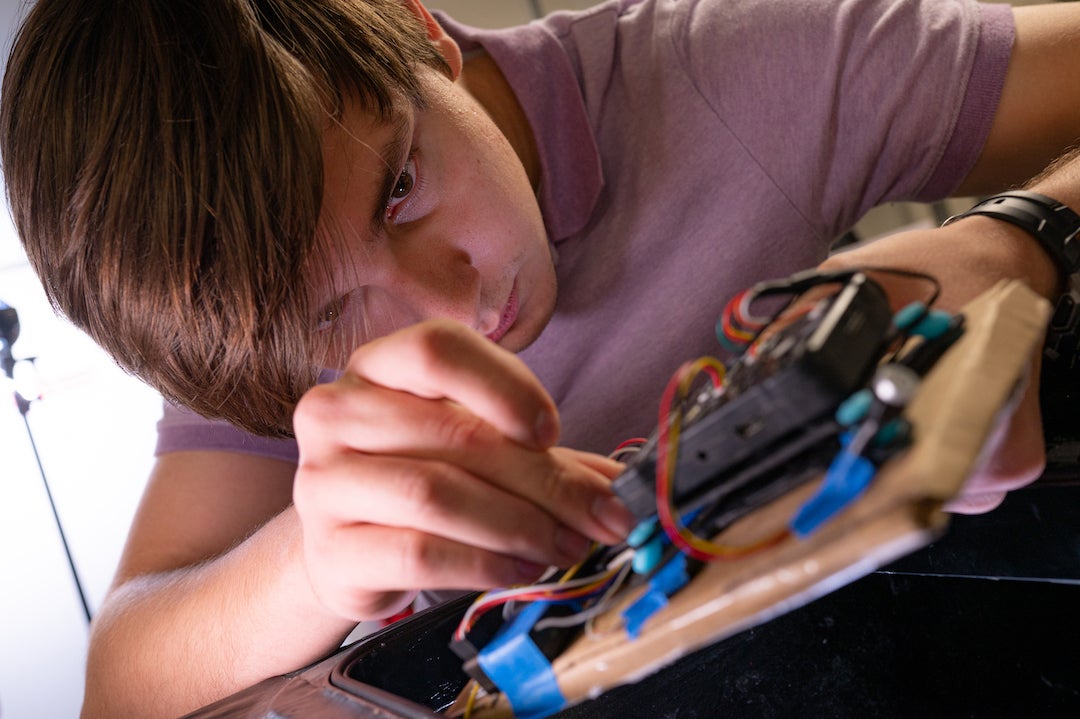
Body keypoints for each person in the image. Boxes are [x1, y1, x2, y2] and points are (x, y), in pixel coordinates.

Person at [1, 0, 1078, 715]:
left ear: (424, 37)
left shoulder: (723, 75)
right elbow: (121, 687)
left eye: (401, 191)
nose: (453, 303)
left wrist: (1020, 238)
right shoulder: (255, 332)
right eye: (336, 314)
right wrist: (310, 562)